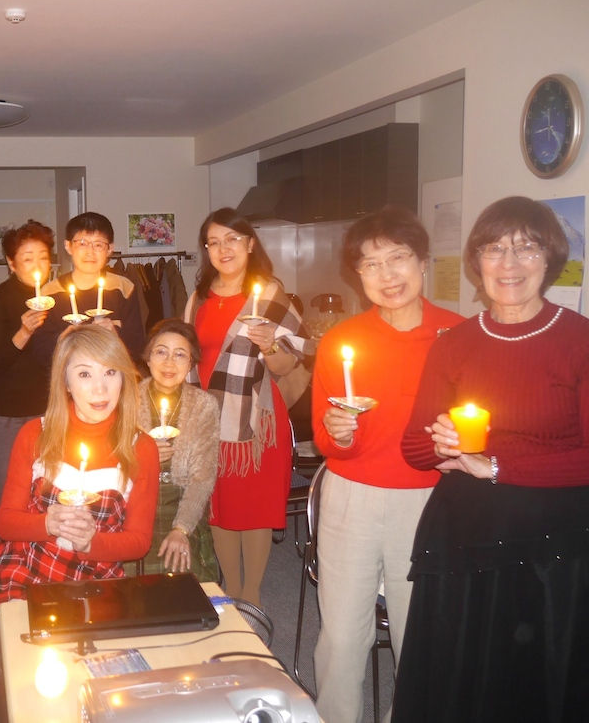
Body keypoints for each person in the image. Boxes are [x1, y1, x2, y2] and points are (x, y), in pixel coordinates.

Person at [393, 196, 589, 722]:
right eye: (495, 249)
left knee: (538, 681)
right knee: (462, 677)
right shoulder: (454, 344)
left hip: (554, 541)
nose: (509, 263)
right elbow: (414, 447)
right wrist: (443, 445)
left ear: (550, 259)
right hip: (466, 534)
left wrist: (496, 466)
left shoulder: (580, 340)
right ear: (477, 261)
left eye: (527, 249)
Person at [0, 324, 159, 723]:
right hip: (24, 569)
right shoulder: (36, 433)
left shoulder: (141, 447)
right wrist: (47, 522)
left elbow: (138, 542)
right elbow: (5, 523)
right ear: (65, 381)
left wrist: (91, 543)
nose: (100, 388)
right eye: (85, 374)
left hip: (84, 584)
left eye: (110, 372)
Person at [310, 207, 463, 723]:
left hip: (430, 499)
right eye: (371, 264)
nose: (387, 275)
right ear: (358, 275)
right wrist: (338, 434)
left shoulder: (459, 335)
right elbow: (327, 440)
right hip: (351, 497)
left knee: (418, 632)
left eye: (397, 258)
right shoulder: (342, 341)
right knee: (342, 634)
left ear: (422, 262)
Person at [185, 207, 311, 607]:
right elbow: (187, 359)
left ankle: (251, 595)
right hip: (209, 418)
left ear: (250, 244)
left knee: (254, 508)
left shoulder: (269, 294)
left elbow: (288, 364)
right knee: (220, 505)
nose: (223, 249)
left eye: (232, 239)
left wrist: (269, 345)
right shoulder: (199, 299)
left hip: (256, 423)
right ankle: (232, 590)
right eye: (214, 242)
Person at [0, 220, 54, 547]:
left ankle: (39, 558)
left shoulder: (56, 297)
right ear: (11, 263)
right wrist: (24, 332)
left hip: (47, 409)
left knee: (45, 488)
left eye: (43, 257)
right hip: (4, 413)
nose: (37, 265)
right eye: (27, 258)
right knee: (5, 491)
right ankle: (1, 559)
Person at [135, 318, 219, 580]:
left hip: (181, 506)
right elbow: (107, 465)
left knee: (185, 585)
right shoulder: (126, 400)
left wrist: (181, 529)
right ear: (148, 358)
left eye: (180, 354)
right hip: (134, 508)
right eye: (161, 352)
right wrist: (143, 457)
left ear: (191, 363)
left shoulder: (204, 405)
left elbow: (203, 478)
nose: (169, 363)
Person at [31, 212, 146, 365]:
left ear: (110, 249)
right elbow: (38, 351)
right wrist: (62, 339)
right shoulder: (49, 293)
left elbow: (138, 347)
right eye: (82, 243)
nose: (90, 252)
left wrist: (115, 334)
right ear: (68, 246)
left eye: (98, 245)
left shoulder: (123, 287)